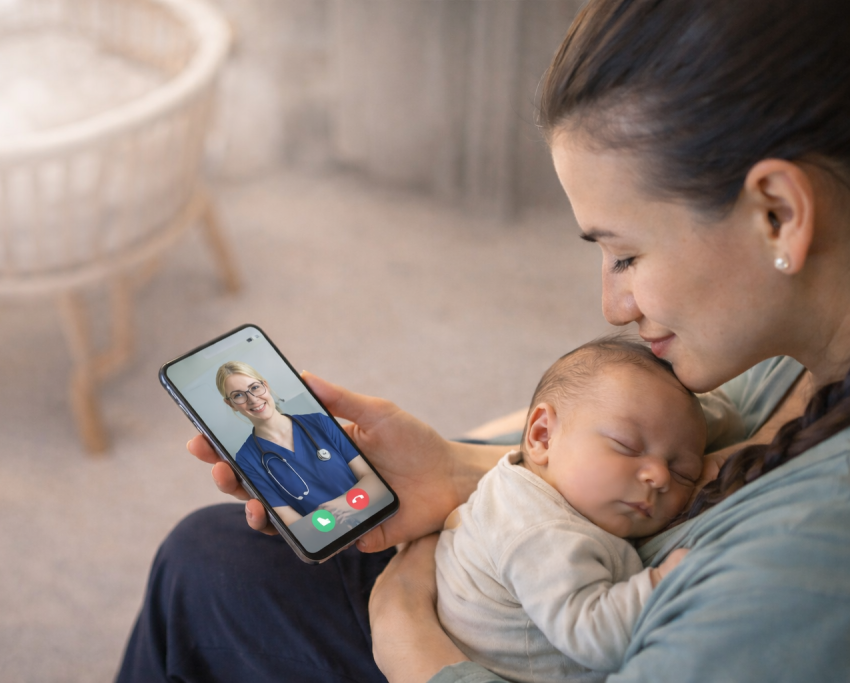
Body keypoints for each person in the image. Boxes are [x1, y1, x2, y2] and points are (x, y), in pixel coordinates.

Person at [115, 1, 850, 681]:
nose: (612, 304)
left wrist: (405, 634)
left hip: (510, 650)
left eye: (626, 254)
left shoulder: (807, 566)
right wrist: (458, 469)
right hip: (540, 575)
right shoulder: (792, 348)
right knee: (212, 554)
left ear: (779, 214)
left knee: (203, 577)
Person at [435, 339, 705, 682]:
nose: (661, 476)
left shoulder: (531, 487)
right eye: (627, 445)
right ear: (543, 436)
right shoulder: (541, 532)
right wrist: (664, 580)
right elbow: (595, 636)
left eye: (684, 472)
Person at [217, 360, 388, 528]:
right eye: (238, 395)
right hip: (329, 539)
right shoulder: (246, 459)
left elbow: (374, 480)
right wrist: (331, 528)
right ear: (230, 404)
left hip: (380, 517)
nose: (253, 399)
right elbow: (288, 518)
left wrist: (342, 506)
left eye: (254, 388)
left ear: (266, 386)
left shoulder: (319, 423)